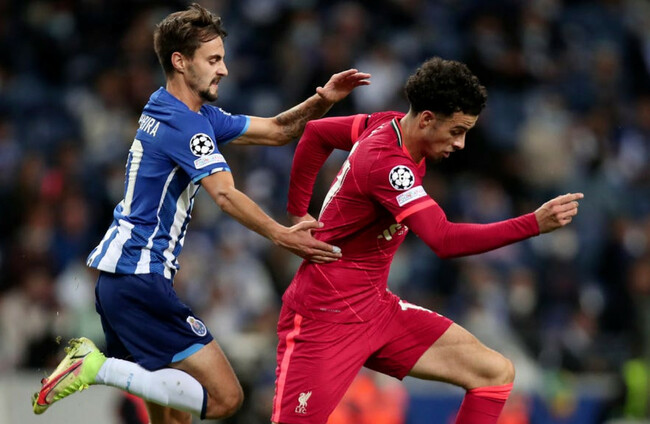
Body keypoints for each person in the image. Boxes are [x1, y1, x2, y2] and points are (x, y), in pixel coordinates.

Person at [32, 3, 370, 423]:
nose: (223, 70)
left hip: (121, 280)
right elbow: (224, 195)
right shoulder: (185, 124)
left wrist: (322, 100)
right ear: (180, 61)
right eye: (213, 60)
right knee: (227, 398)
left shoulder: (176, 109)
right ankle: (96, 368)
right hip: (141, 278)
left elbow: (278, 130)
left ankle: (101, 368)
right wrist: (282, 234)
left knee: (175, 417)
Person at [272, 56, 583, 424]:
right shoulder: (388, 164)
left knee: (494, 373)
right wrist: (533, 223)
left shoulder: (387, 124)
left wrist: (299, 213)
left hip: (376, 310)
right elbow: (444, 239)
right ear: (426, 119)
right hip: (324, 318)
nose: (461, 143)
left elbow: (317, 134)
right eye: (456, 131)